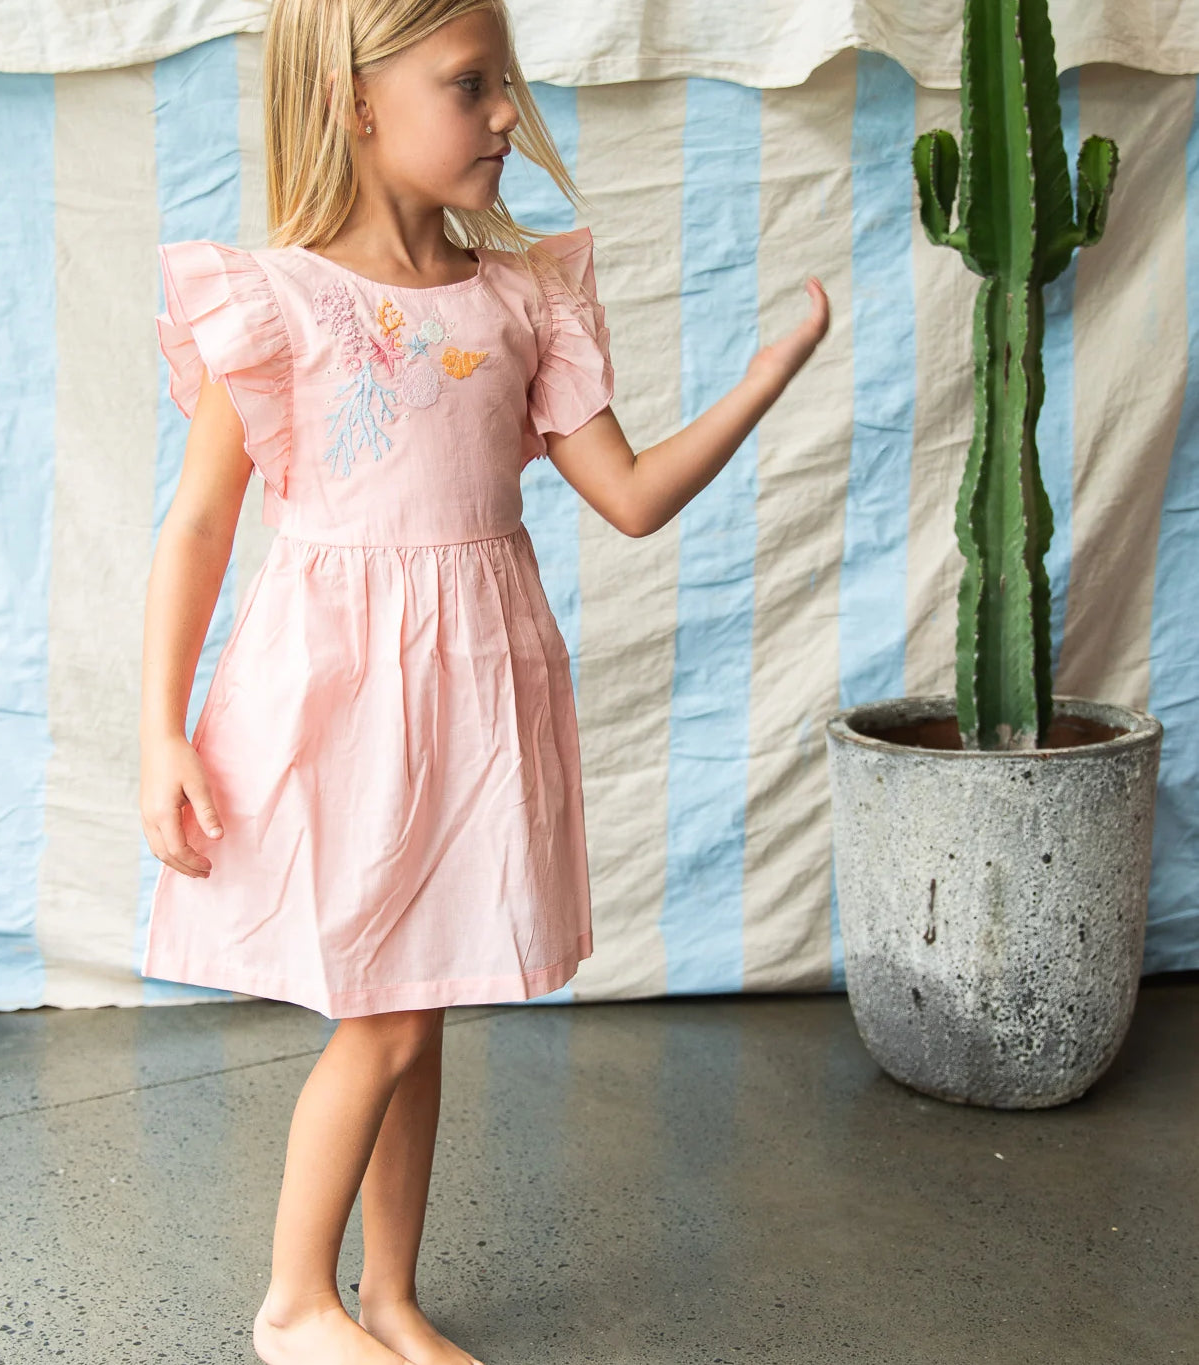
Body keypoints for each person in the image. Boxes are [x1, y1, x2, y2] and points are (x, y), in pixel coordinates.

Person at [137, 0, 829, 1361]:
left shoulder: (519, 295)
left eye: (504, 83)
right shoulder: (279, 302)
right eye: (470, 84)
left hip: (476, 685)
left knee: (420, 1003)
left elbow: (622, 496)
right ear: (352, 101)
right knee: (383, 1015)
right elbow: (202, 522)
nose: (508, 113)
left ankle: (389, 1295)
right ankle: (294, 1301)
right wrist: (159, 725)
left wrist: (757, 383)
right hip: (345, 695)